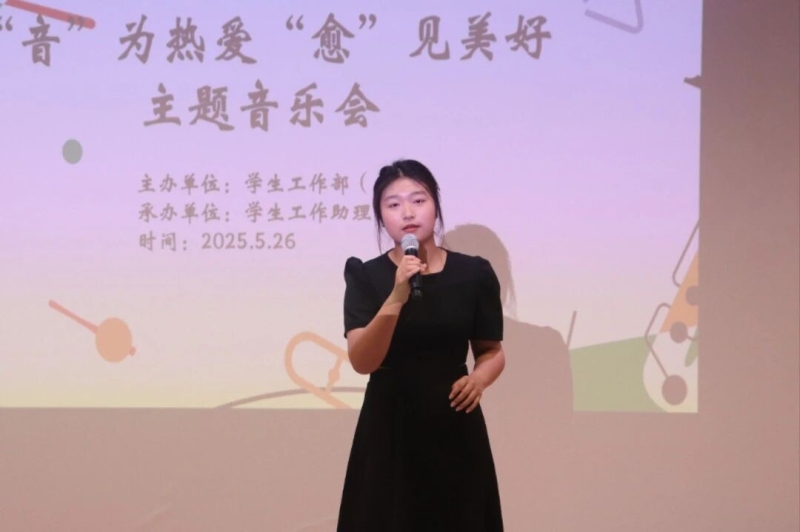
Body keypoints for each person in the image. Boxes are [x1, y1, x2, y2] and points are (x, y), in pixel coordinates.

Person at [336, 159, 506, 531]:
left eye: (418, 200)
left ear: (436, 207)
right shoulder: (365, 276)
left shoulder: (473, 274)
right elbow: (362, 361)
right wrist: (397, 294)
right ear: (381, 218)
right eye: (393, 204)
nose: (408, 213)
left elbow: (491, 351)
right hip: (389, 426)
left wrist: (479, 379)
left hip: (454, 422)